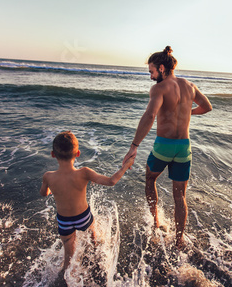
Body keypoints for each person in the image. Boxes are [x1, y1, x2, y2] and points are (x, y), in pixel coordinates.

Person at [122, 46, 212, 249]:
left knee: (150, 178)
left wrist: (134, 145)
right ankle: (179, 240)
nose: (151, 77)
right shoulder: (190, 86)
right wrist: (188, 113)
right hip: (184, 147)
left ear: (161, 68)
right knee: (180, 195)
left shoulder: (159, 89)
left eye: (152, 72)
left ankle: (156, 222)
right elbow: (207, 106)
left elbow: (150, 116)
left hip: (164, 146)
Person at [40, 131, 134, 269]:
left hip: (64, 221)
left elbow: (44, 193)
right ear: (78, 153)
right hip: (83, 217)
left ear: (53, 154)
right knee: (93, 240)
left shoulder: (48, 176)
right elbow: (111, 181)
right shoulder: (84, 172)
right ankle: (95, 261)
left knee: (69, 256)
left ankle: (66, 279)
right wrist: (125, 166)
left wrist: (50, 188)